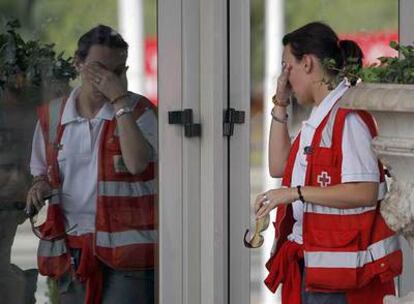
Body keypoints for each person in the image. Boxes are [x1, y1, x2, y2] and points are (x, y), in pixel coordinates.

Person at [254, 22, 402, 304]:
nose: (285, 78)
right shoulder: (321, 118)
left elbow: (365, 191)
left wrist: (295, 193)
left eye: (288, 67)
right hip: (317, 267)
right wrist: (280, 103)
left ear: (307, 63)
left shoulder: (347, 117)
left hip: (342, 279)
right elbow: (278, 166)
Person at [26, 25, 157, 304]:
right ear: (78, 64)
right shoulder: (53, 115)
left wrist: (119, 100)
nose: (107, 80)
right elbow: (41, 171)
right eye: (99, 70)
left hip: (128, 254)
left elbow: (136, 163)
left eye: (117, 72)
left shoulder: (139, 111)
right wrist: (39, 186)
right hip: (72, 249)